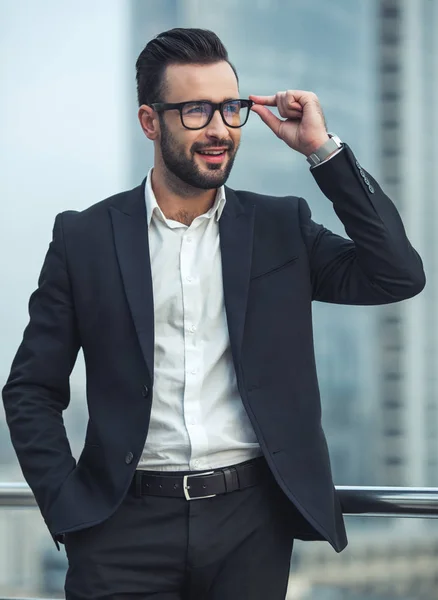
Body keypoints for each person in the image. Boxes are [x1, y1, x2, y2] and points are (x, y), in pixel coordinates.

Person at [2, 27, 425, 600]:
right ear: (151, 122)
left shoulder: (281, 228)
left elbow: (397, 273)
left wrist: (322, 152)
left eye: (230, 108)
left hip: (250, 526)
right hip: (121, 531)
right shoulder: (85, 238)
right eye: (197, 111)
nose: (220, 129)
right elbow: (30, 388)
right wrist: (66, 505)